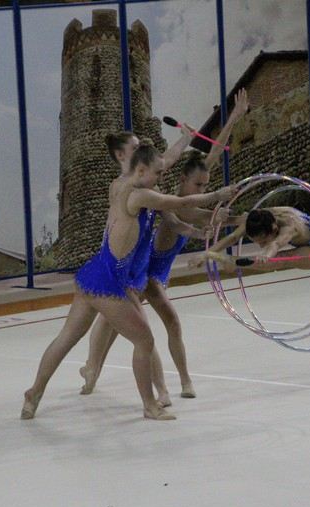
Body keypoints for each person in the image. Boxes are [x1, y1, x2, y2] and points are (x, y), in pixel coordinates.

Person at [20, 143, 235, 421]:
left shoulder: (120, 184)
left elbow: (172, 201)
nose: (160, 178)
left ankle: (34, 393)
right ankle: (149, 405)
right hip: (108, 284)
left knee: (66, 339)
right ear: (142, 170)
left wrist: (183, 139)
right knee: (144, 341)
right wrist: (217, 195)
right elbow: (180, 203)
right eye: (157, 174)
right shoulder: (138, 196)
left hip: (94, 275)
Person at [81, 89, 250, 401]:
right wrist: (213, 225)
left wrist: (233, 118)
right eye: (200, 184)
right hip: (143, 271)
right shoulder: (155, 197)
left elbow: (205, 160)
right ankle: (172, 386)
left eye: (205, 184)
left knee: (113, 322)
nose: (204, 186)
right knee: (153, 323)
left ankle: (92, 368)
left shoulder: (171, 185)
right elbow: (185, 220)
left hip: (149, 272)